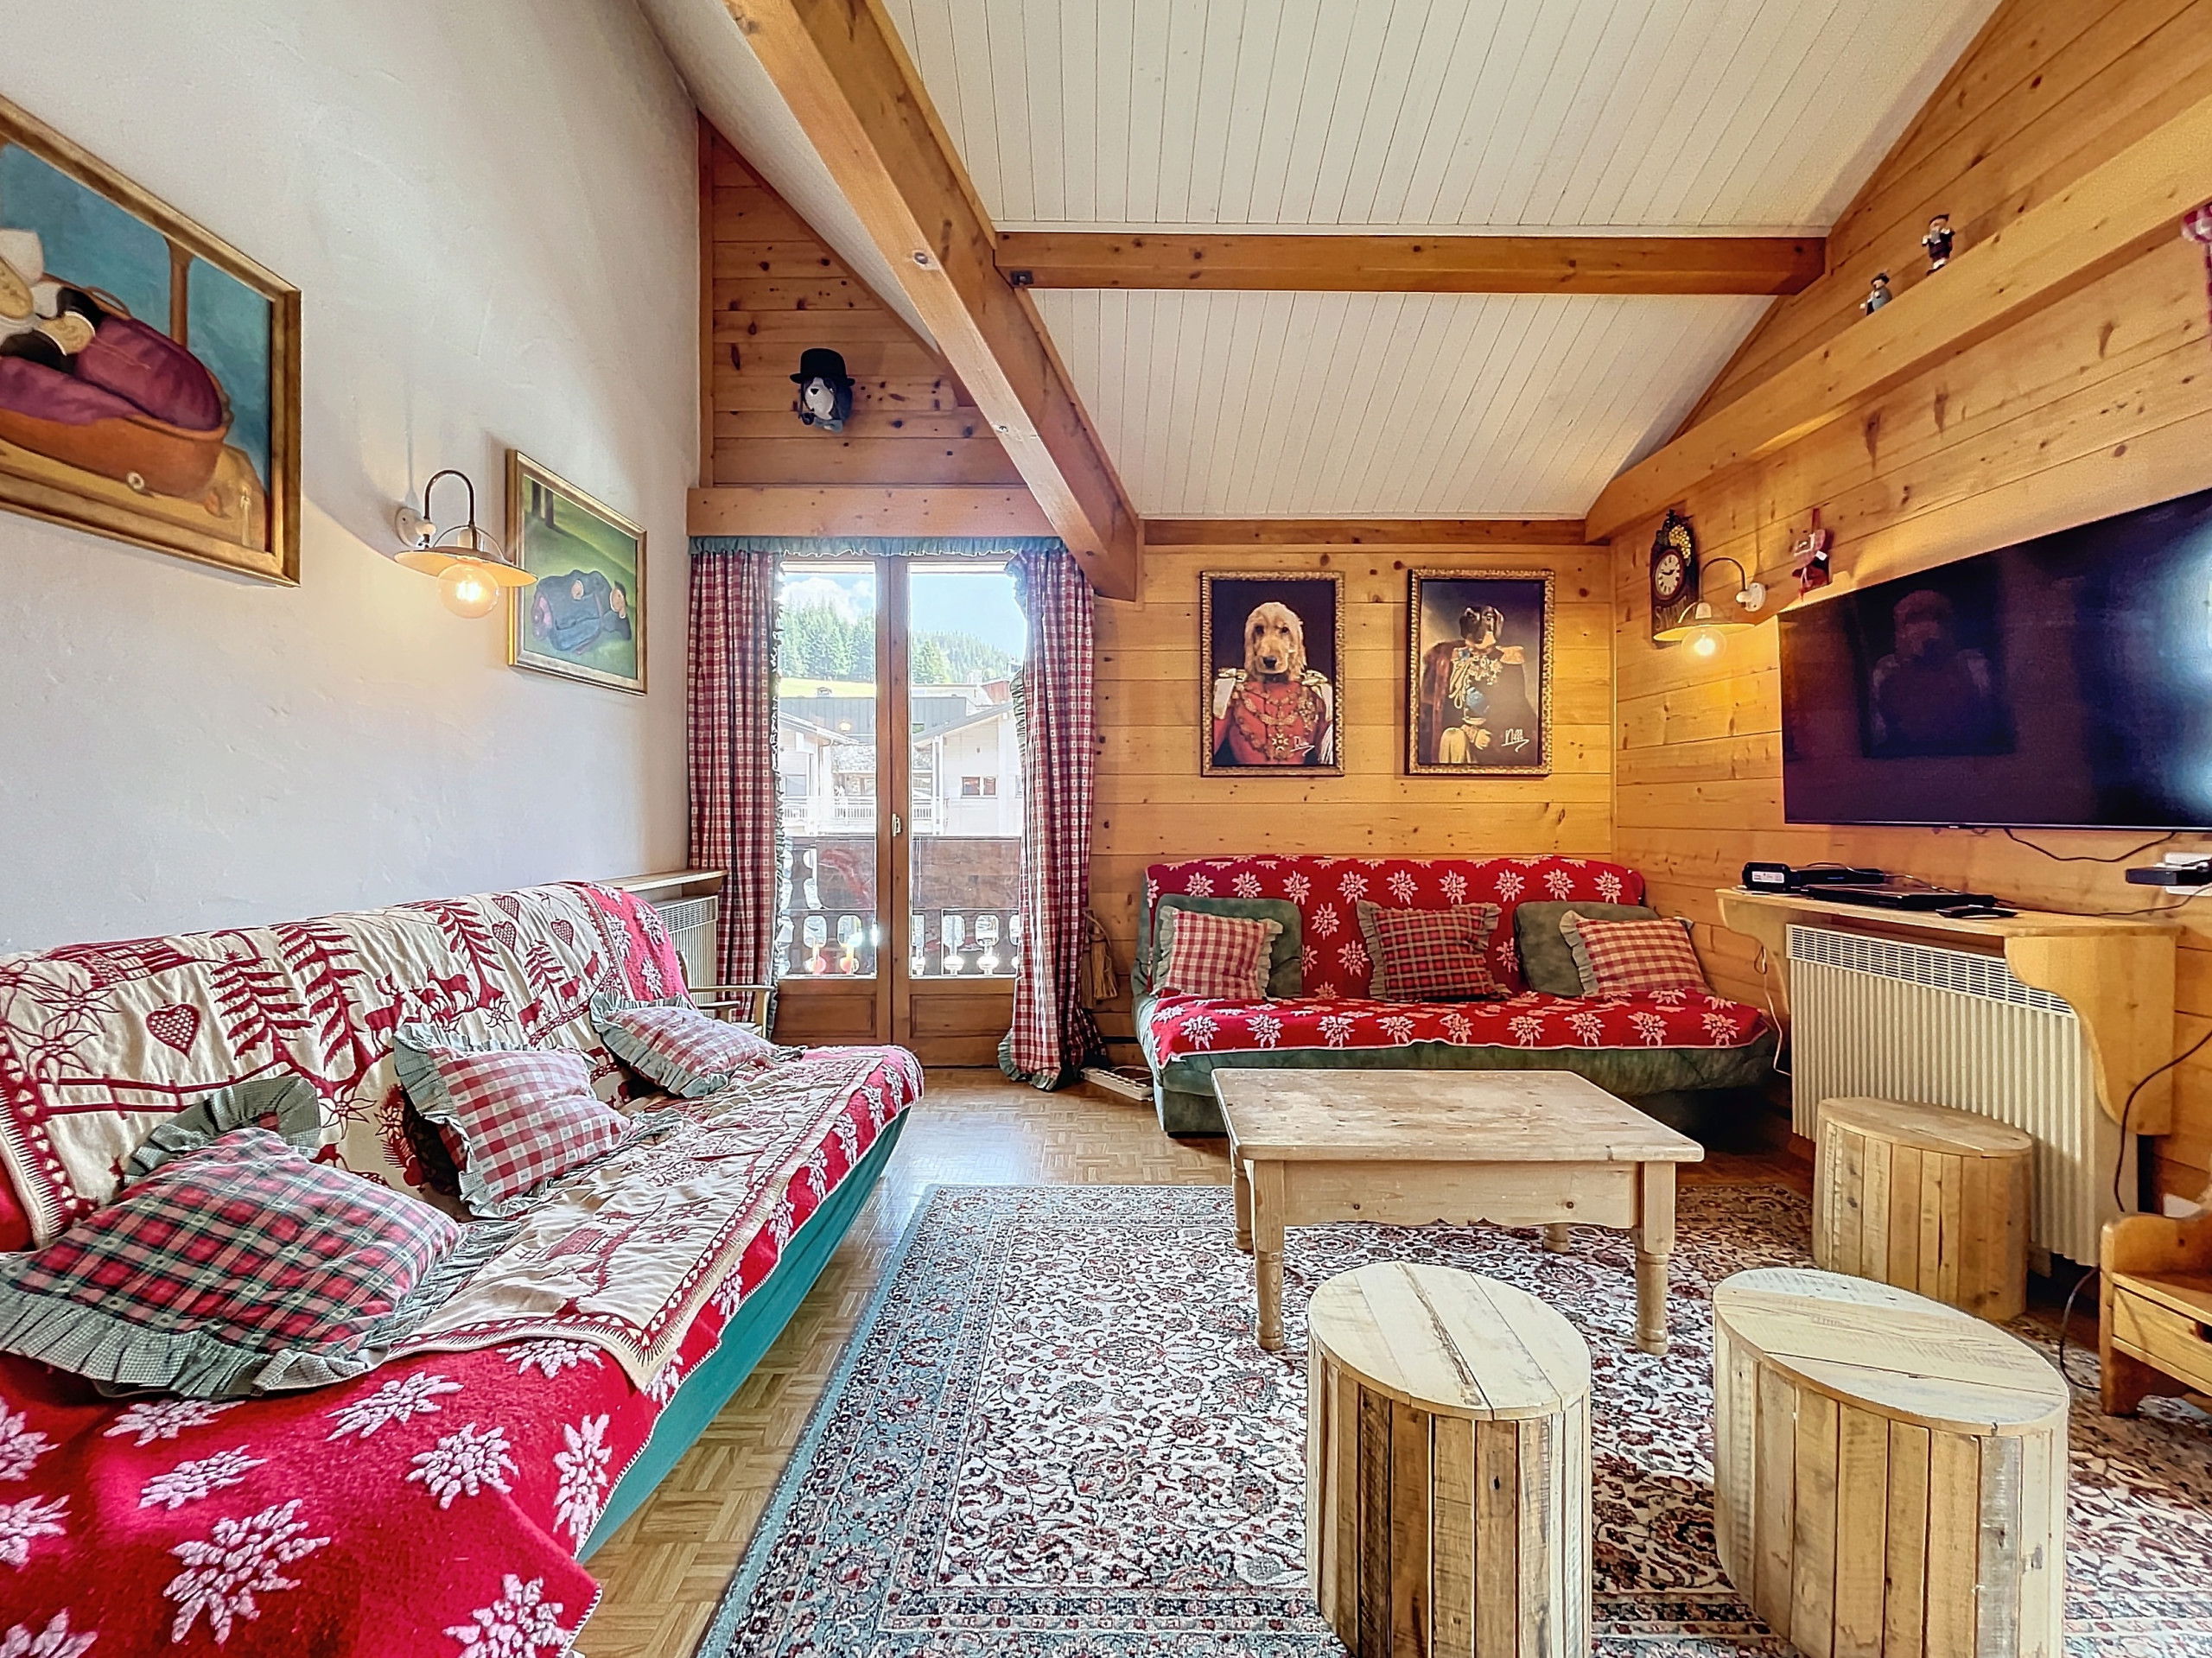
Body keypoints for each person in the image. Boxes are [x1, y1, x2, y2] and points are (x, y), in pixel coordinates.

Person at [1419, 604, 1536, 765]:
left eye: (1488, 620)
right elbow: (1440, 706)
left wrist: (1487, 735)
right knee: (1453, 737)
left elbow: (1513, 708)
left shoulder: (1508, 663)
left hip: (1495, 738)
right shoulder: (1450, 660)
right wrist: (1470, 732)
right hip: (1458, 731)